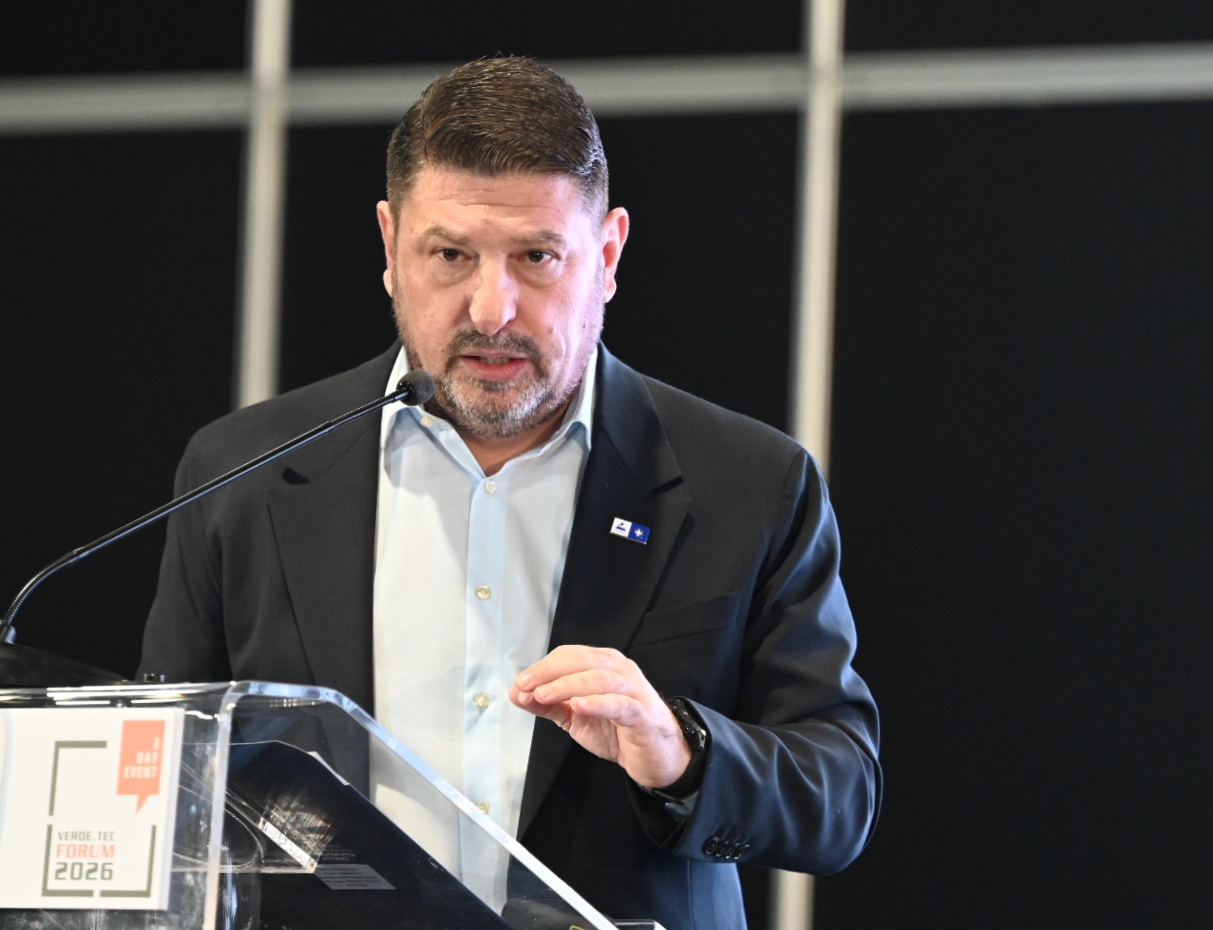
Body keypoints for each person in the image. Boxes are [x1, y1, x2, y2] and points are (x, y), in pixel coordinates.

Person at [140, 56, 880, 930]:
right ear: (390, 248)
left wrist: (680, 747)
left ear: (606, 256)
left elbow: (839, 792)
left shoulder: (748, 482)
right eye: (451, 255)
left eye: (536, 257)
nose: (491, 309)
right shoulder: (243, 473)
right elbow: (163, 781)